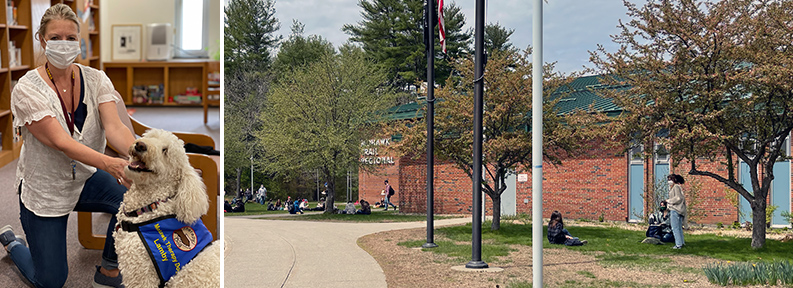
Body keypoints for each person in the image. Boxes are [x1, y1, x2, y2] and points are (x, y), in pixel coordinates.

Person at [0, 4, 136, 287]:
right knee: (51, 281)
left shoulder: (96, 78)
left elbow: (115, 128)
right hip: (45, 188)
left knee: (137, 199)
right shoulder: (26, 89)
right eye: (56, 38)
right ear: (42, 40)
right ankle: (14, 245)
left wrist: (142, 159)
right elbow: (62, 142)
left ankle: (109, 269)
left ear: (79, 40)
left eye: (71, 38)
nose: (64, 44)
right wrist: (110, 164)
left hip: (85, 175)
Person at [666, 174, 687, 249]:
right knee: (678, 228)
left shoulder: (676, 187)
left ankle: (678, 244)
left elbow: (678, 198)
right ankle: (681, 242)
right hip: (679, 210)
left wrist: (668, 201)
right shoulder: (677, 187)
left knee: (675, 227)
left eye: (670, 179)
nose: (669, 181)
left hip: (675, 210)